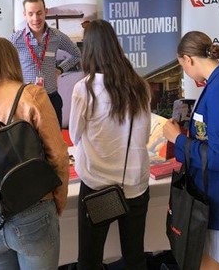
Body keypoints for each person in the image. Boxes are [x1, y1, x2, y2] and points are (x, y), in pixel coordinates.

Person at [0, 37, 69, 270]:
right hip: (33, 206)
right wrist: (57, 201)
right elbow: (58, 155)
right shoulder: (32, 95)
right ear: (13, 59)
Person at [163, 31, 219, 270]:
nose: (186, 72)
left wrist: (178, 140)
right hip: (216, 197)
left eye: (182, 66)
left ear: (188, 59)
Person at [69, 19, 152, 270]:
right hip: (134, 184)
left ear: (89, 50)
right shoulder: (139, 85)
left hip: (98, 185)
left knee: (91, 258)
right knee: (135, 256)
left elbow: (75, 135)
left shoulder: (84, 89)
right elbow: (145, 135)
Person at [10, 0, 81, 127]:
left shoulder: (56, 36)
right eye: (30, 14)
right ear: (24, 14)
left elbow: (76, 54)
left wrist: (60, 69)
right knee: (30, 143)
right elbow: (4, 64)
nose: (35, 19)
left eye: (39, 13)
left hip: (51, 98)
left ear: (46, 12)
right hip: (26, 100)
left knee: (54, 143)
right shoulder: (16, 39)